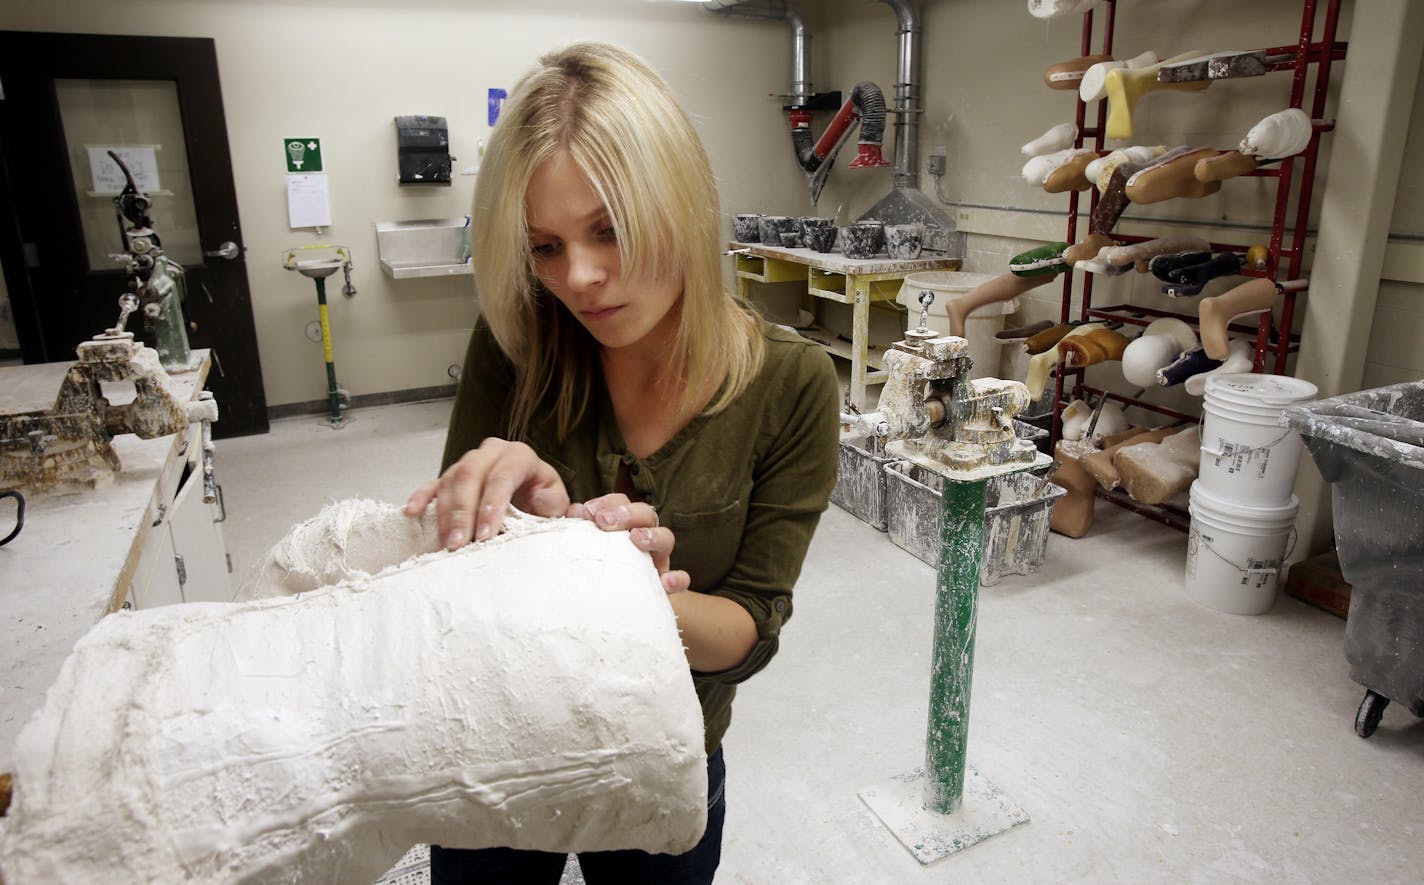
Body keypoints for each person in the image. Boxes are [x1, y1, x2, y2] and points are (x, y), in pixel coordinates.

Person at [403, 41, 841, 883]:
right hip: (502, 750)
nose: (582, 278)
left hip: (665, 751)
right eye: (544, 247)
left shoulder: (790, 384)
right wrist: (518, 524)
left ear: (679, 197)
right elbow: (443, 590)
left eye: (610, 228)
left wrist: (620, 586)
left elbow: (748, 628)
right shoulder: (517, 342)